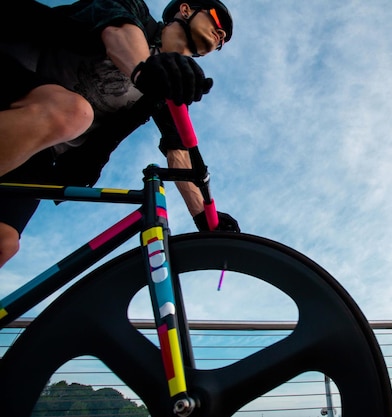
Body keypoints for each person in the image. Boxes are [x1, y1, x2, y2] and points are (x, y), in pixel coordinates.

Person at [0, 0, 239, 268]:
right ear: (186, 10)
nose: (221, 36)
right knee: (72, 113)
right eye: (218, 21)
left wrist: (205, 219)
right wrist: (144, 71)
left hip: (40, 152)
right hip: (11, 79)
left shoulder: (166, 92)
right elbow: (117, 33)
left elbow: (180, 157)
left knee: (5, 242)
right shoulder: (133, 12)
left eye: (224, 40)